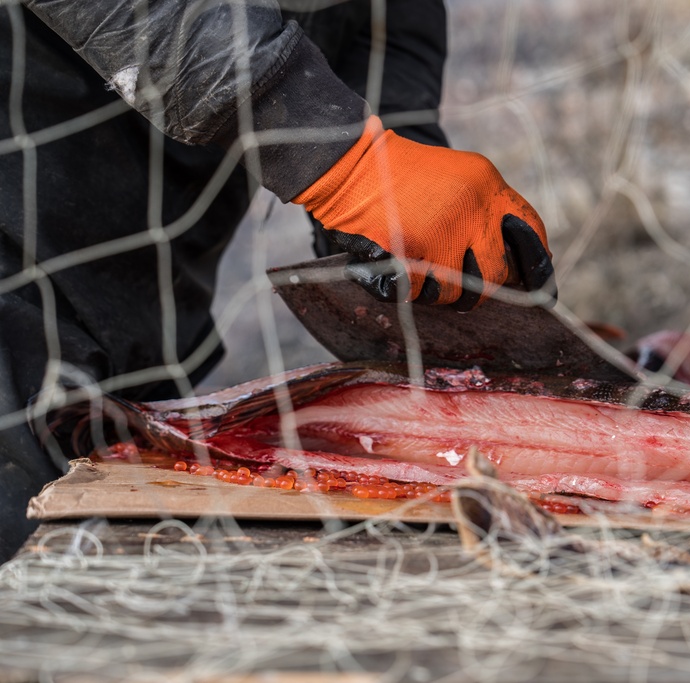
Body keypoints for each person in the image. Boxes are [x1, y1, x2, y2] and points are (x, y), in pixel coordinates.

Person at [0, 1, 555, 560]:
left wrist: (402, 166)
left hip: (148, 303)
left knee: (114, 527)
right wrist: (346, 166)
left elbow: (385, 25)